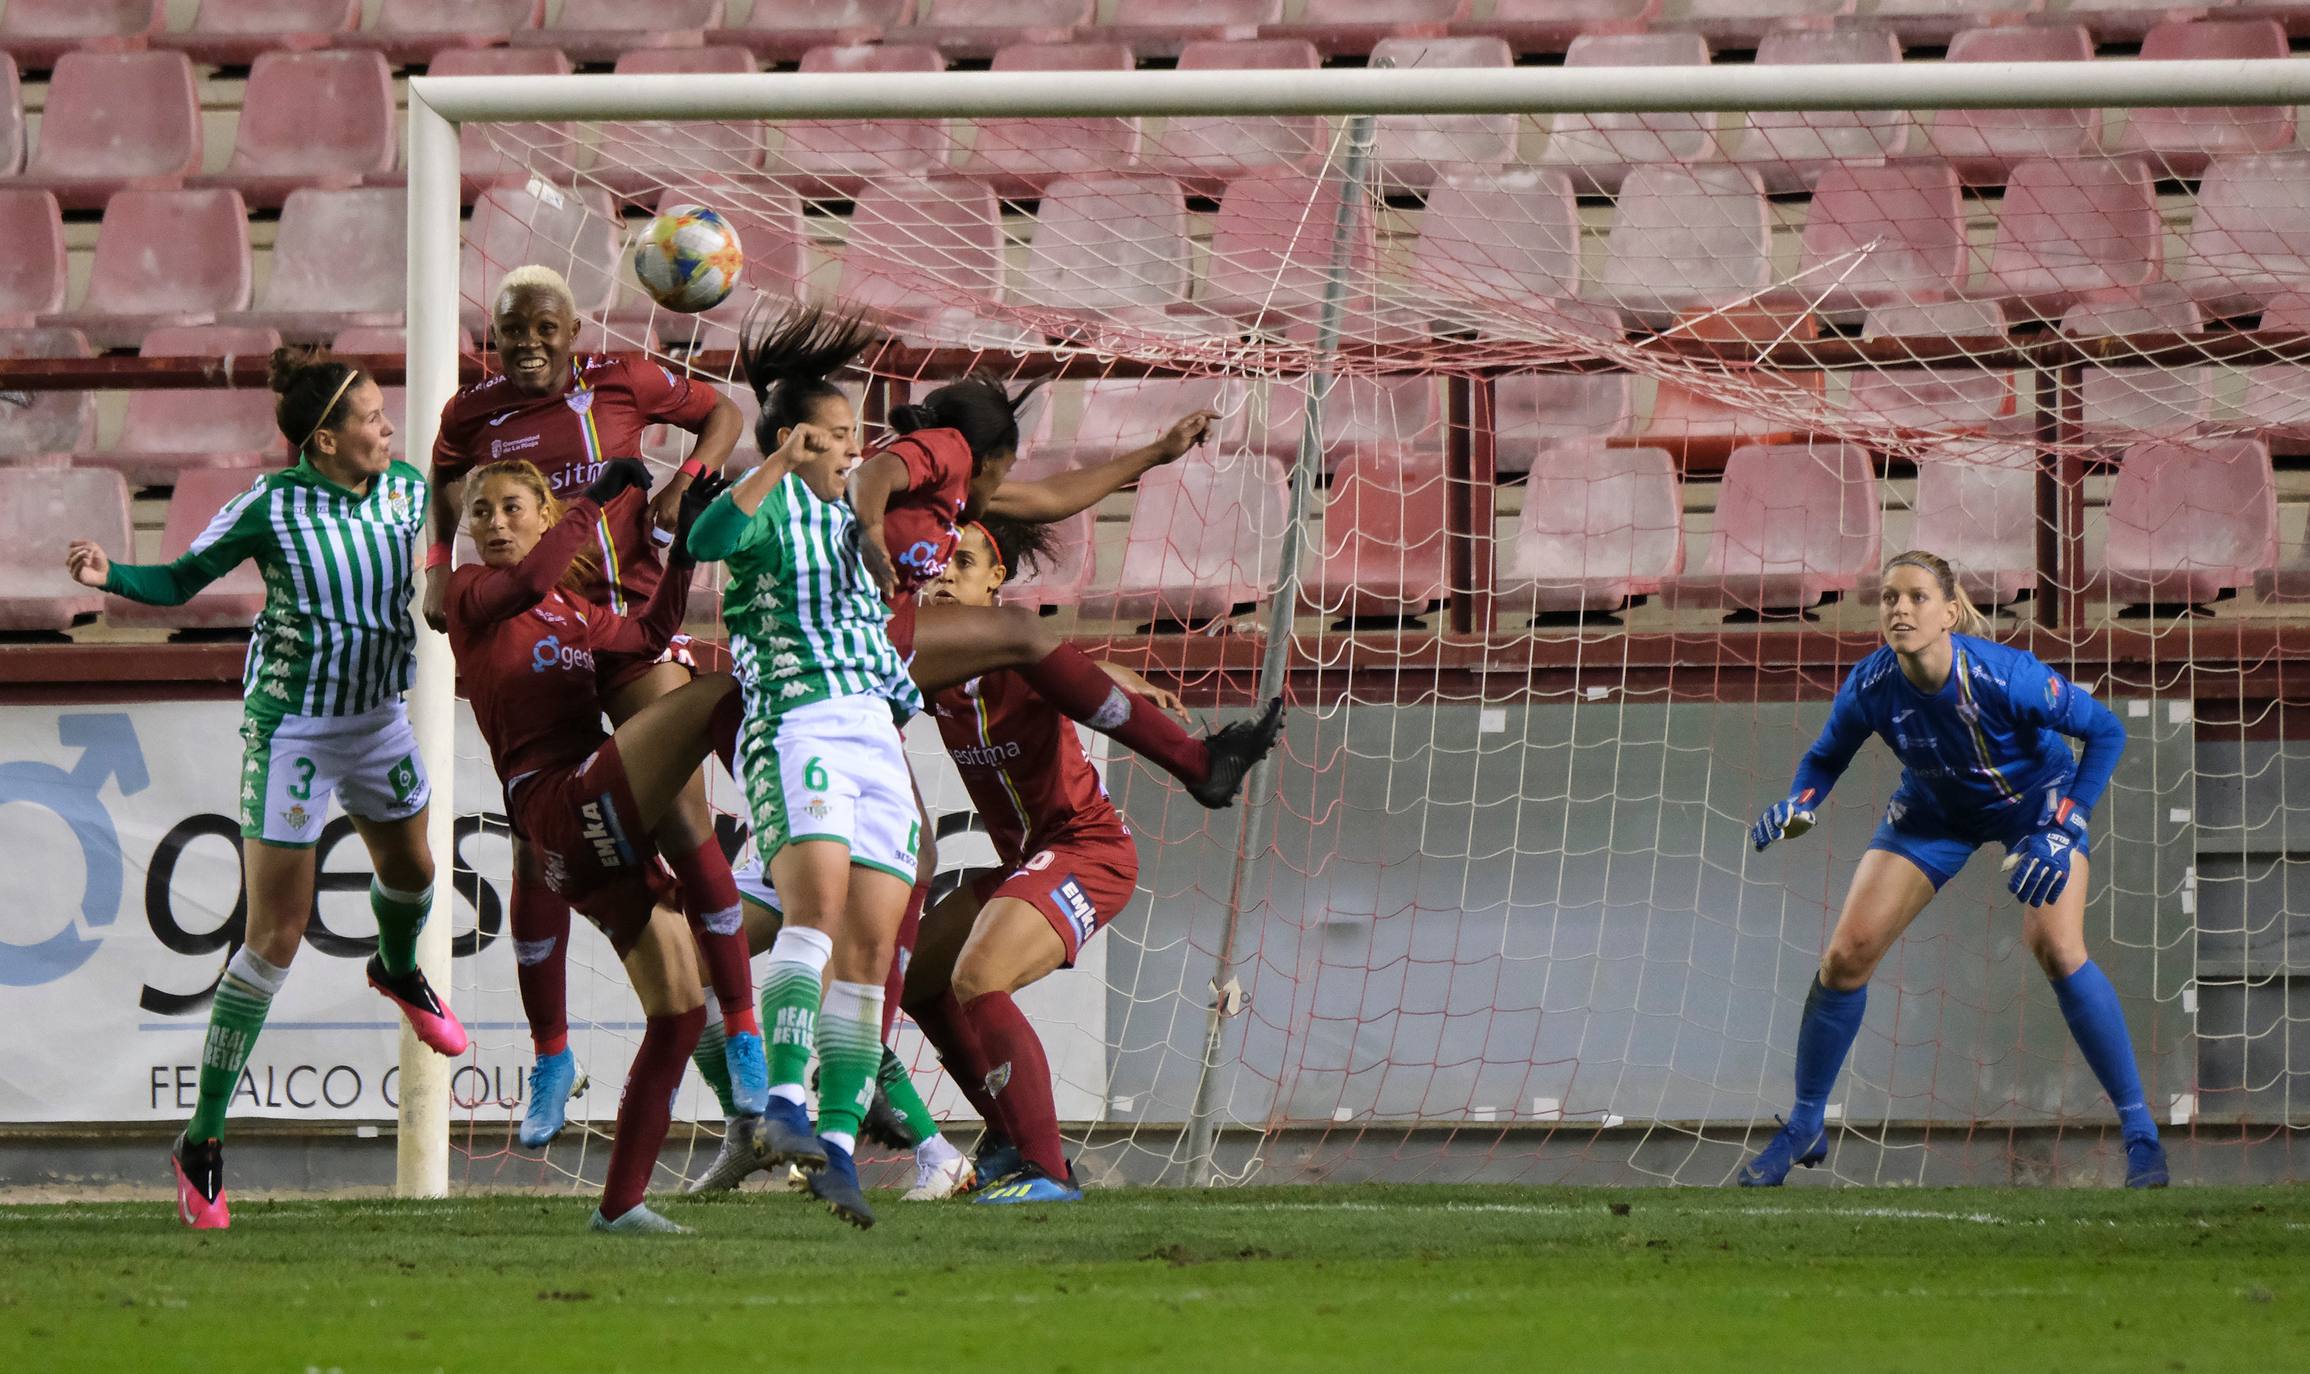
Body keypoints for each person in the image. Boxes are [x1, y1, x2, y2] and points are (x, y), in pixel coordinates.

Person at [67, 349, 458, 1231]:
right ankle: (201, 1140)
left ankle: (396, 968)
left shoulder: (404, 488)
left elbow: (451, 526)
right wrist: (110, 579)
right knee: (274, 938)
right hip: (292, 729)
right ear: (324, 439)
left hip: (377, 716)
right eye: (368, 417)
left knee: (418, 874)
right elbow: (181, 579)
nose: (386, 427)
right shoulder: (273, 507)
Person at [426, 265, 761, 1150]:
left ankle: (750, 1037)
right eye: (510, 330)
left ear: (574, 329)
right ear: (492, 337)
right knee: (543, 856)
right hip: (546, 643)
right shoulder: (473, 415)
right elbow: (442, 476)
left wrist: (689, 478)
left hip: (623, 635)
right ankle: (554, 1059)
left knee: (687, 833)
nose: (528, 342)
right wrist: (433, 569)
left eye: (545, 326)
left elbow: (725, 412)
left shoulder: (624, 379)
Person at [1741, 550, 2168, 1189]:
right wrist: (1801, 804)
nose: (1900, 609)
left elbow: (2104, 731)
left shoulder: (2006, 676)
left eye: (1916, 597)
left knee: (2055, 946)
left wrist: (2066, 825)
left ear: (1948, 612)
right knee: (1845, 956)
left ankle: (2141, 1135)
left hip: (2034, 807)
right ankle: (1805, 1124)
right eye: (1889, 598)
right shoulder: (1870, 684)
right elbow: (1826, 757)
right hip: (1934, 811)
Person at [446, 453, 738, 1231]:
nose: (497, 524)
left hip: (584, 835)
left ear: (541, 517)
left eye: (514, 508)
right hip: (553, 801)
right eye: (483, 513)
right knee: (713, 693)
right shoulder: (471, 596)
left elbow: (648, 636)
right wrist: (594, 504)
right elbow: (528, 584)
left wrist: (684, 554)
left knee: (676, 1013)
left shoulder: (575, 614)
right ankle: (787, 836)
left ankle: (620, 1206)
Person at [685, 329, 936, 1229]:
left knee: (868, 953)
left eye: (851, 437)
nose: (845, 452)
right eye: (827, 437)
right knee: (816, 913)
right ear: (791, 440)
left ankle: (834, 1151)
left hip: (874, 736)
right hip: (797, 722)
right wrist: (774, 462)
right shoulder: (770, 506)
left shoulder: (851, 523)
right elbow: (705, 536)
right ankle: (781, 1105)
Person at [901, 518, 1188, 1204]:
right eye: (936, 565)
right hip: (1024, 860)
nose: (943, 576)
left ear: (997, 582)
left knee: (978, 975)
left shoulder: (1023, 654)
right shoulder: (927, 667)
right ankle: (1006, 1137)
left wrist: (1119, 679)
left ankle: (1048, 1171)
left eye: (962, 564)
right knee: (918, 982)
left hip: (1090, 852)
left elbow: (1079, 674)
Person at [682, 855, 977, 1202]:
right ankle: (745, 1131)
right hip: (784, 846)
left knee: (832, 1005)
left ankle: (936, 1153)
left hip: (840, 848)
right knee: (688, 964)